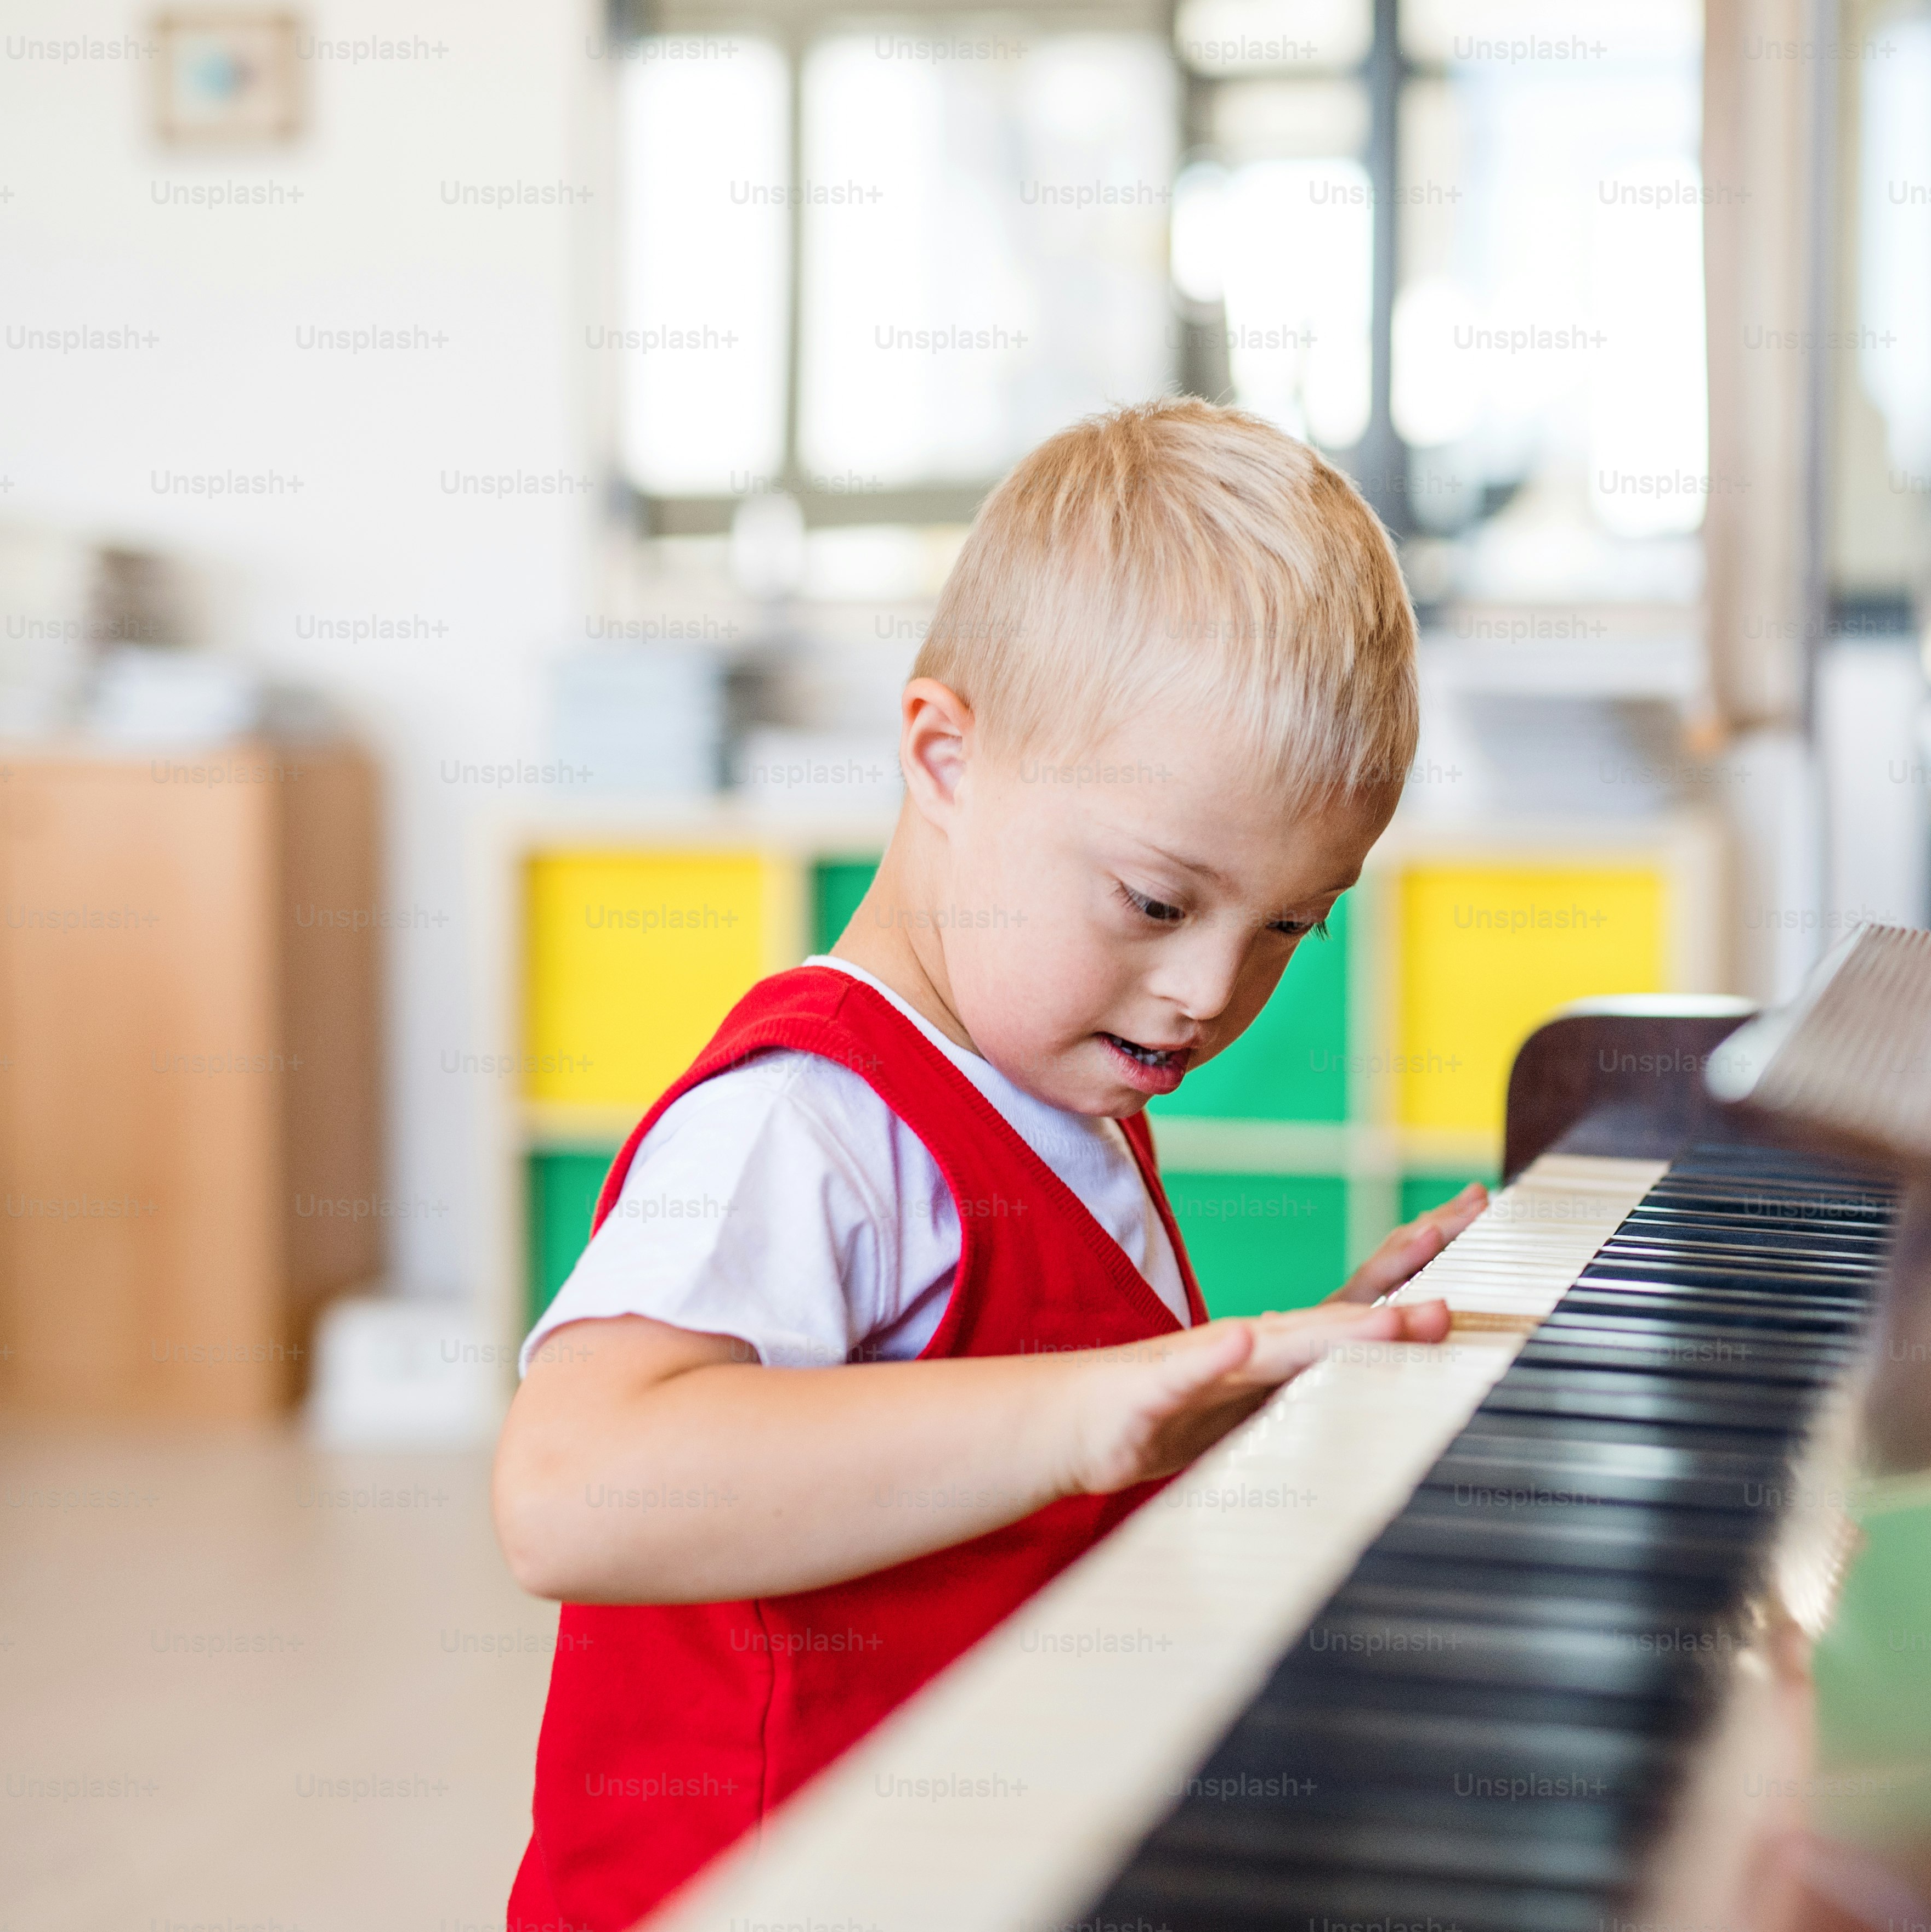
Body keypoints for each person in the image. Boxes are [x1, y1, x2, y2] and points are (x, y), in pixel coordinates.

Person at [493, 397, 1486, 1930]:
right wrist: (1092, 1407)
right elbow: (569, 1491)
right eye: (1159, 902)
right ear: (944, 756)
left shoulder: (1060, 1105)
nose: (1209, 991)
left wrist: (1273, 1395)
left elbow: (1044, 1500)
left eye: (1290, 922)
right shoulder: (807, 1121)